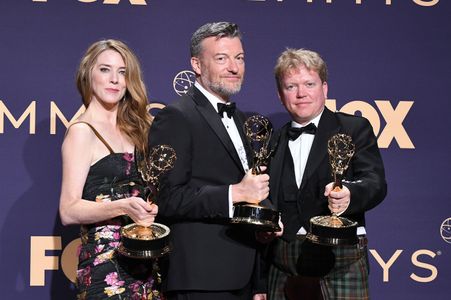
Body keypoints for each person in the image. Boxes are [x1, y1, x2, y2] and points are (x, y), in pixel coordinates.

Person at [148, 22, 270, 300]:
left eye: (239, 58)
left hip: (245, 275)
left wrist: (268, 220)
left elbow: (249, 189)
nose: (234, 67)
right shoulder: (176, 117)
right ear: (197, 64)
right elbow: (167, 197)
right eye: (221, 58)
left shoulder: (241, 120)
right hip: (201, 277)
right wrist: (235, 193)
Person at [266, 48, 387, 299]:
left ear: (325, 88)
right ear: (280, 95)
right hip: (283, 259)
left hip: (341, 254)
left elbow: (375, 183)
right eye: (291, 86)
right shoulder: (273, 139)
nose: (301, 94)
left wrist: (350, 194)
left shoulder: (354, 127)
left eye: (309, 84)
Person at [59, 39, 162, 299]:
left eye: (122, 72)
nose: (114, 79)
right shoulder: (82, 132)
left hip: (148, 264)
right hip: (106, 268)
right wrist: (123, 206)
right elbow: (68, 210)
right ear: (88, 75)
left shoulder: (139, 130)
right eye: (105, 69)